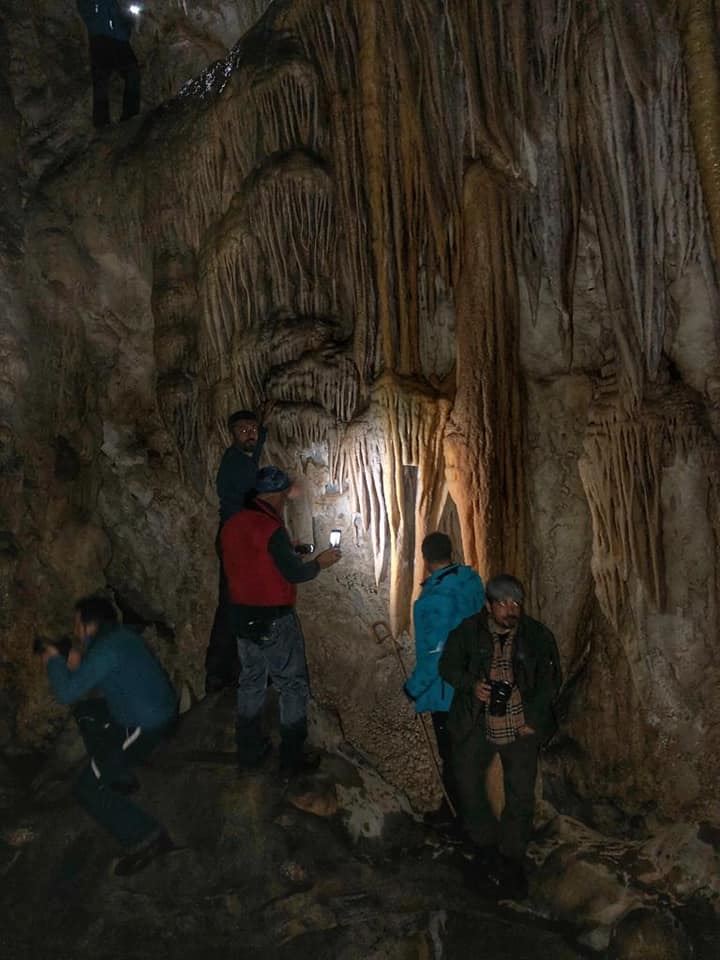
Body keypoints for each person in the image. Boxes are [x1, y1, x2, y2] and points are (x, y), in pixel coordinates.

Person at [438, 574, 562, 898]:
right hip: (477, 720)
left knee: (520, 793)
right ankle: (485, 848)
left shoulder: (537, 636)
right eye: (504, 603)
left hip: (521, 723)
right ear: (489, 605)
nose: (511, 610)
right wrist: (471, 685)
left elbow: (550, 680)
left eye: (516, 603)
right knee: (467, 783)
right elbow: (447, 666)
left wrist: (533, 719)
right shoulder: (468, 632)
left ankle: (512, 859)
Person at [41, 595, 178, 876]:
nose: (75, 631)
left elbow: (66, 692)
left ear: (88, 624)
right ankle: (119, 776)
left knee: (86, 789)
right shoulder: (120, 639)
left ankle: (147, 838)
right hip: (152, 713)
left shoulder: (108, 649)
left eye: (77, 624)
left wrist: (53, 660)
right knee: (88, 711)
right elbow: (105, 677)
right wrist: (78, 661)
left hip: (144, 726)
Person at [220, 466, 341, 776]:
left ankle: (248, 750)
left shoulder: (232, 524)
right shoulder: (270, 528)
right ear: (276, 495)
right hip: (273, 618)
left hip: (241, 617)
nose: (287, 499)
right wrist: (320, 562)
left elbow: (248, 560)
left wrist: (287, 552)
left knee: (251, 680)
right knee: (292, 685)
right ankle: (292, 758)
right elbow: (295, 573)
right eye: (285, 494)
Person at [404, 532, 485, 827]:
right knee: (468, 753)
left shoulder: (435, 600)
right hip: (476, 682)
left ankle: (457, 817)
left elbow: (435, 655)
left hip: (447, 691)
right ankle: (469, 813)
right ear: (451, 553)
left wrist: (414, 688)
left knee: (452, 754)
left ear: (425, 559)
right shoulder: (471, 582)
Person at [205, 409, 267, 693]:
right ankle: (220, 672)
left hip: (239, 537)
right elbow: (253, 492)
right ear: (232, 434)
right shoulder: (235, 462)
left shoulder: (244, 457)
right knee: (232, 604)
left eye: (253, 429)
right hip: (235, 538)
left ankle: (232, 669)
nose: (250, 434)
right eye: (243, 430)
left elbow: (255, 450)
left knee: (239, 602)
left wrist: (263, 430)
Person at [76, 1, 141, 128]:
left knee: (132, 73)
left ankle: (129, 115)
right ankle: (102, 122)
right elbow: (85, 8)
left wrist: (126, 26)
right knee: (102, 79)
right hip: (101, 37)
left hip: (118, 37)